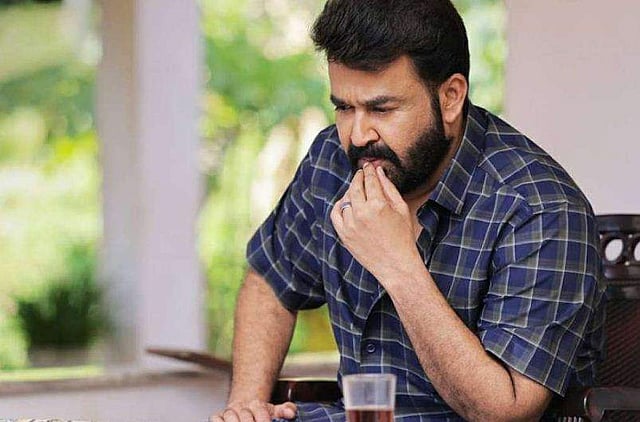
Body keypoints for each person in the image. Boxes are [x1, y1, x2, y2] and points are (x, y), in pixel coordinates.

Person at [211, 0, 605, 421]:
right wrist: (247, 405)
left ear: (450, 98)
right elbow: (271, 279)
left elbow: (505, 411)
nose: (358, 135)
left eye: (381, 109)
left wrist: (398, 264)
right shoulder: (334, 161)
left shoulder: (539, 207)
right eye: (344, 107)